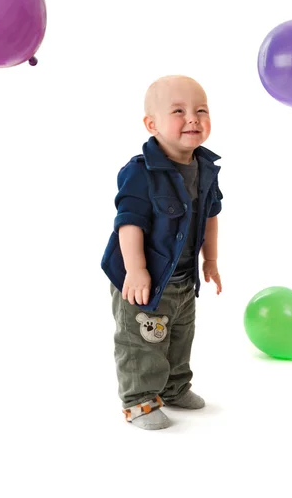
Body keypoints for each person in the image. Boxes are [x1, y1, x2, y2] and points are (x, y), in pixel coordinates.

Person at [101, 75, 223, 430]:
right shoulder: (140, 172)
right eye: (178, 111)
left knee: (181, 334)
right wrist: (136, 269)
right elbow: (129, 223)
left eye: (201, 110)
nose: (193, 119)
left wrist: (210, 260)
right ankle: (139, 400)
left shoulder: (205, 168)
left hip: (183, 278)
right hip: (145, 280)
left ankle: (174, 386)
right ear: (151, 125)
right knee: (142, 341)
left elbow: (211, 216)